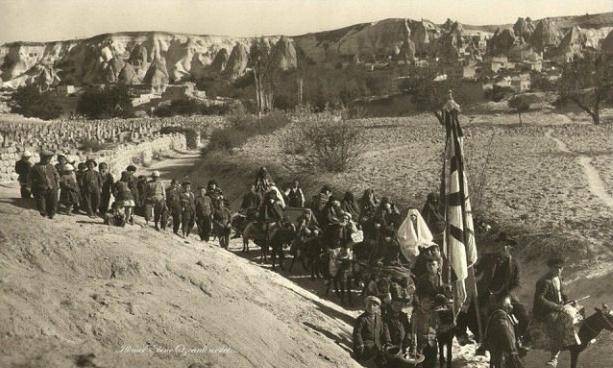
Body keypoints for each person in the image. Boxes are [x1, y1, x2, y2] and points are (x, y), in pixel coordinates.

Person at [533, 257, 575, 367]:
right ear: (550, 267)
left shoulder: (559, 278)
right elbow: (540, 299)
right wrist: (557, 307)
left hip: (559, 306)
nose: (559, 270)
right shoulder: (543, 281)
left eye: (561, 268)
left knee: (578, 312)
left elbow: (562, 292)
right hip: (546, 310)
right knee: (556, 324)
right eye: (556, 268)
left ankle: (575, 341)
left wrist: (568, 301)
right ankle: (554, 357)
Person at [486, 293, 524, 368]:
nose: (512, 307)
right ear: (506, 307)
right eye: (509, 304)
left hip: (500, 358)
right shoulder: (502, 322)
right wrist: (513, 353)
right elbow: (508, 339)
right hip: (504, 359)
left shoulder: (497, 318)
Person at [353, 296, 391, 366]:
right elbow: (357, 333)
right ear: (365, 306)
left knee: (385, 361)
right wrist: (360, 344)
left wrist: (388, 342)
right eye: (369, 304)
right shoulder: (362, 319)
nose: (371, 307)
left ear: (378, 308)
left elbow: (385, 331)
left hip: (377, 345)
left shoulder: (379, 318)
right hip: (365, 346)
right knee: (369, 362)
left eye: (374, 305)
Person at [28, 150, 60, 219]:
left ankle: (52, 214)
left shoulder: (51, 166)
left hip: (52, 187)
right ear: (42, 159)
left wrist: (57, 184)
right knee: (41, 202)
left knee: (53, 201)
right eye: (47, 159)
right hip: (40, 187)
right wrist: (29, 186)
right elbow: (30, 177)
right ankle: (43, 213)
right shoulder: (35, 167)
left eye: (49, 159)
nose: (48, 160)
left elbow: (56, 175)